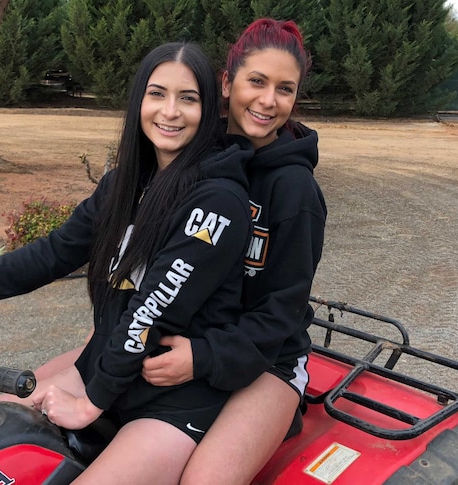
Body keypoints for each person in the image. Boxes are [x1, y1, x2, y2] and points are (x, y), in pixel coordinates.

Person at [0, 42, 254, 485]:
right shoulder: (126, 185)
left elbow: (153, 307)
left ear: (208, 109)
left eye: (189, 98)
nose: (171, 111)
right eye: (157, 94)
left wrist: (92, 402)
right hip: (110, 375)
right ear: (138, 101)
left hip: (171, 401)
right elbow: (51, 254)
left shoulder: (217, 201)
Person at [140, 18, 327, 484]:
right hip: (189, 336)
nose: (268, 101)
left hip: (268, 362)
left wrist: (203, 357)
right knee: (36, 404)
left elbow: (281, 313)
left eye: (285, 89)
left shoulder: (295, 190)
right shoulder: (196, 154)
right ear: (227, 83)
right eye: (257, 81)